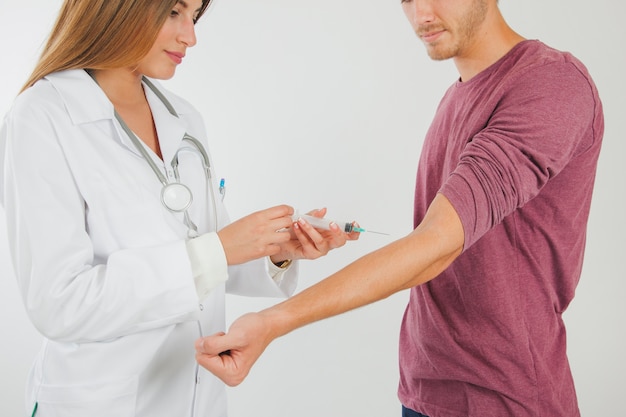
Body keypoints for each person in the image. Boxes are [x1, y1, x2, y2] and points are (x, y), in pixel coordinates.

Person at [195, 0, 604, 416]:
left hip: (503, 398)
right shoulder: (456, 96)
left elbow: (436, 243)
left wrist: (272, 322)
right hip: (423, 389)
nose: (420, 14)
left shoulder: (551, 84)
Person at [0, 1, 358, 416]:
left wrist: (277, 251)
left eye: (195, 16)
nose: (190, 36)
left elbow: (208, 251)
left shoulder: (184, 118)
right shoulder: (43, 117)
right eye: (174, 11)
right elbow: (59, 302)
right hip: (99, 401)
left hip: (195, 394)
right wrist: (217, 251)